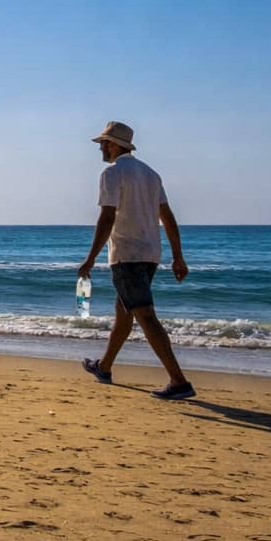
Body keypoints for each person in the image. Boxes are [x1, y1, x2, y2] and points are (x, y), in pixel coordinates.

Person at [77, 121, 195, 400]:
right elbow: (167, 217)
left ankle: (179, 381)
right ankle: (104, 367)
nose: (101, 148)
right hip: (150, 254)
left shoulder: (112, 174)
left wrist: (90, 258)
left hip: (127, 254)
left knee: (144, 314)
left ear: (115, 145)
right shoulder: (151, 175)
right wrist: (178, 256)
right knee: (124, 311)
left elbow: (107, 217)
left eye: (104, 143)